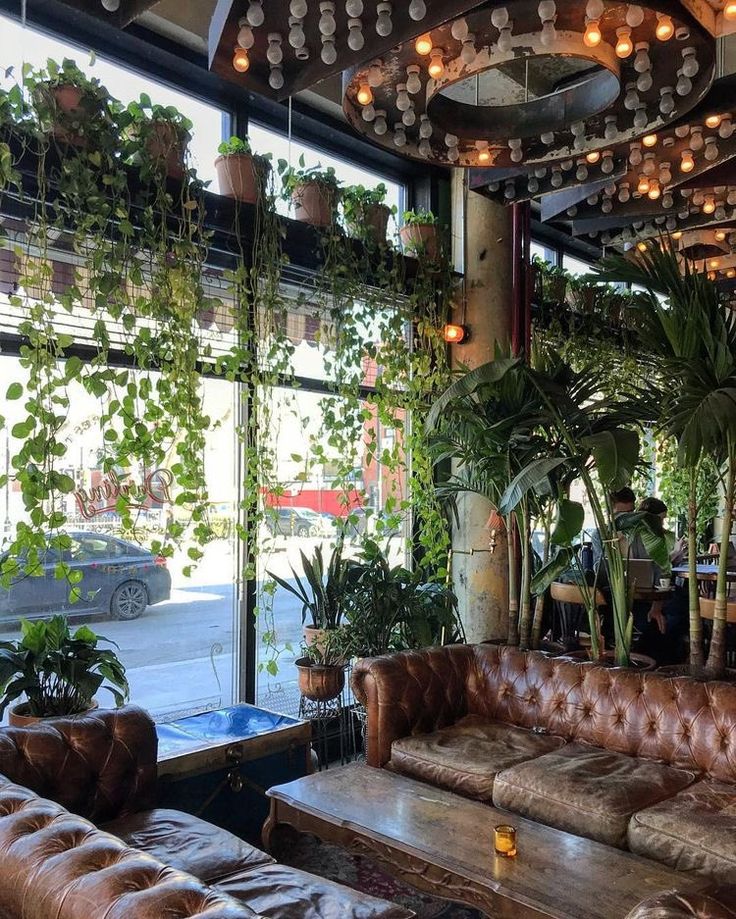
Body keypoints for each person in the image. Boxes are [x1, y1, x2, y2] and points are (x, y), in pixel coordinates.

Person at [629, 497, 688, 665]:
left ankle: (657, 660)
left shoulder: (657, 537)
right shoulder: (637, 538)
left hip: (656, 594)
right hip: (648, 595)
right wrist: (674, 555)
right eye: (660, 519)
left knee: (680, 609)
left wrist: (677, 557)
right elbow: (656, 568)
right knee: (673, 616)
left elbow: (660, 568)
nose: (662, 524)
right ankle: (661, 661)